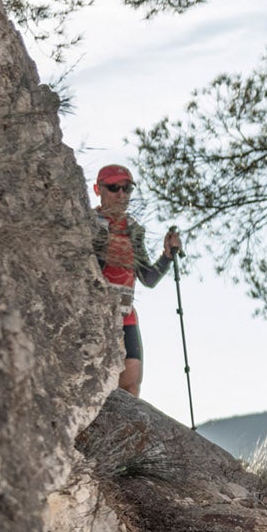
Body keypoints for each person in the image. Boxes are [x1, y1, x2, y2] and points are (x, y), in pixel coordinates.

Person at [91, 163, 182, 397]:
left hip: (126, 315)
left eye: (127, 188)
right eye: (113, 188)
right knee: (99, 388)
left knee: (131, 388)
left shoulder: (133, 230)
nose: (121, 194)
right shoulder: (88, 223)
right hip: (96, 314)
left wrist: (167, 256)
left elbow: (148, 279)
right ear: (97, 189)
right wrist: (105, 251)